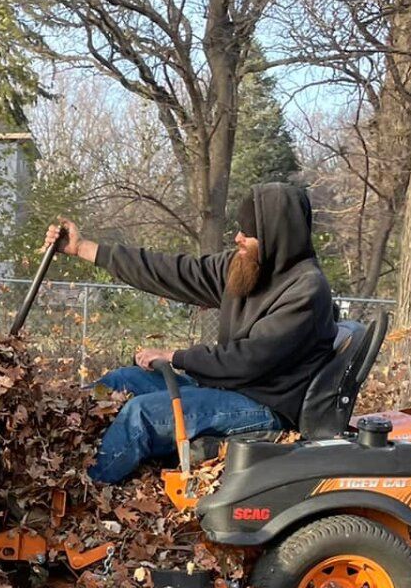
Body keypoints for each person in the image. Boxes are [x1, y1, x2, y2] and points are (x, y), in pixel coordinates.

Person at [44, 182, 337, 484]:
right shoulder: (246, 266)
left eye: (248, 233)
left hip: (264, 405)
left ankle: (79, 494)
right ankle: (52, 451)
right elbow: (173, 271)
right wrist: (84, 249)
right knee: (121, 381)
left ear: (276, 236)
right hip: (228, 388)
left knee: (141, 414)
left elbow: (246, 359)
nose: (238, 237)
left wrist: (174, 356)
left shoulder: (306, 292)